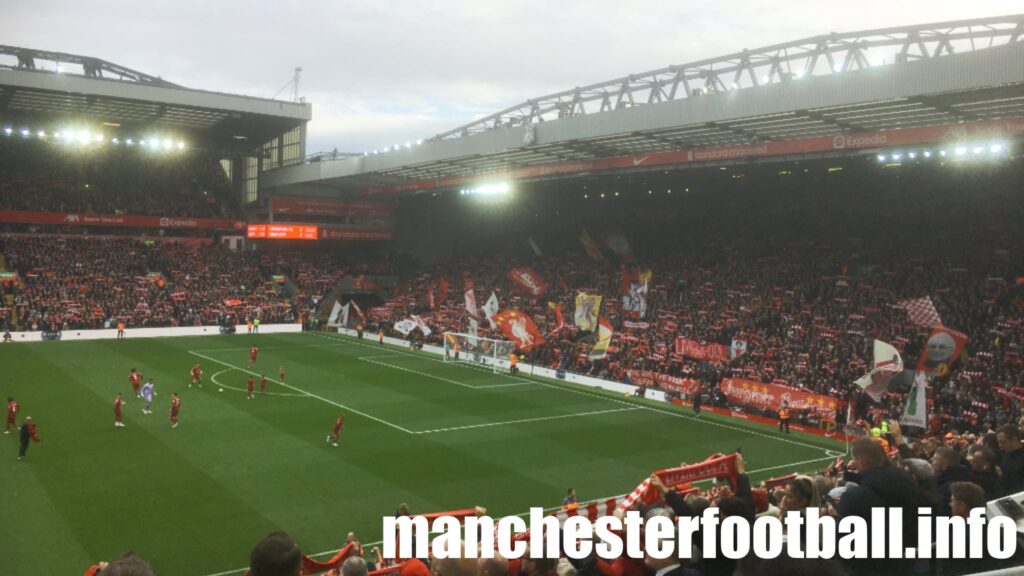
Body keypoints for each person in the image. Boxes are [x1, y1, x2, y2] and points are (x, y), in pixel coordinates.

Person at [996, 424, 1024, 496]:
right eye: (999, 442)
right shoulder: (1005, 454)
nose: (1000, 445)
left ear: (1015, 440)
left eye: (1003, 442)